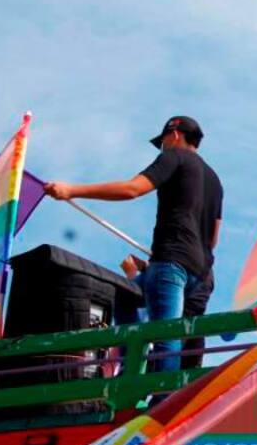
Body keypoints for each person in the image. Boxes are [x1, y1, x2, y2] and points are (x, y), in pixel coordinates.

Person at [45, 116, 223, 373]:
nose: (162, 147)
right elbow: (213, 239)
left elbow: (132, 189)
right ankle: (133, 370)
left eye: (162, 141)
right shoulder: (215, 181)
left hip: (172, 264)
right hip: (202, 273)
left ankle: (157, 399)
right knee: (124, 296)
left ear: (174, 135)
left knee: (166, 336)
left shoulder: (174, 156)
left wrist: (71, 190)